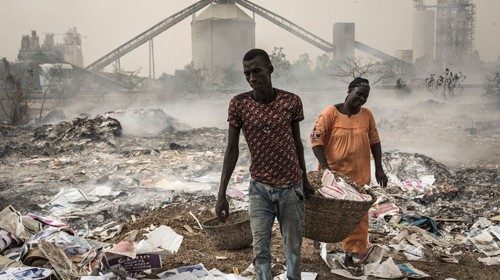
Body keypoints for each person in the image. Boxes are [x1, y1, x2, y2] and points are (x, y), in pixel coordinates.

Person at [216, 48, 314, 280]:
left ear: (270, 69)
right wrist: (221, 193)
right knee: (260, 249)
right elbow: (232, 149)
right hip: (259, 188)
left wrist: (305, 179)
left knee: (293, 248)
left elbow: (297, 143)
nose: (252, 78)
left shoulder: (291, 101)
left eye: (257, 71)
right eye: (247, 73)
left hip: (291, 187)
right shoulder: (239, 105)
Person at [310, 77, 388, 275]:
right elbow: (316, 140)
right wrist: (327, 168)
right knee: (327, 214)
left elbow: (375, 142)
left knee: (357, 218)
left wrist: (379, 168)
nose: (361, 99)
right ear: (349, 91)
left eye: (365, 96)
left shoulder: (367, 115)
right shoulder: (330, 113)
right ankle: (319, 242)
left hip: (359, 176)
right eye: (359, 94)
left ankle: (351, 256)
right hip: (334, 176)